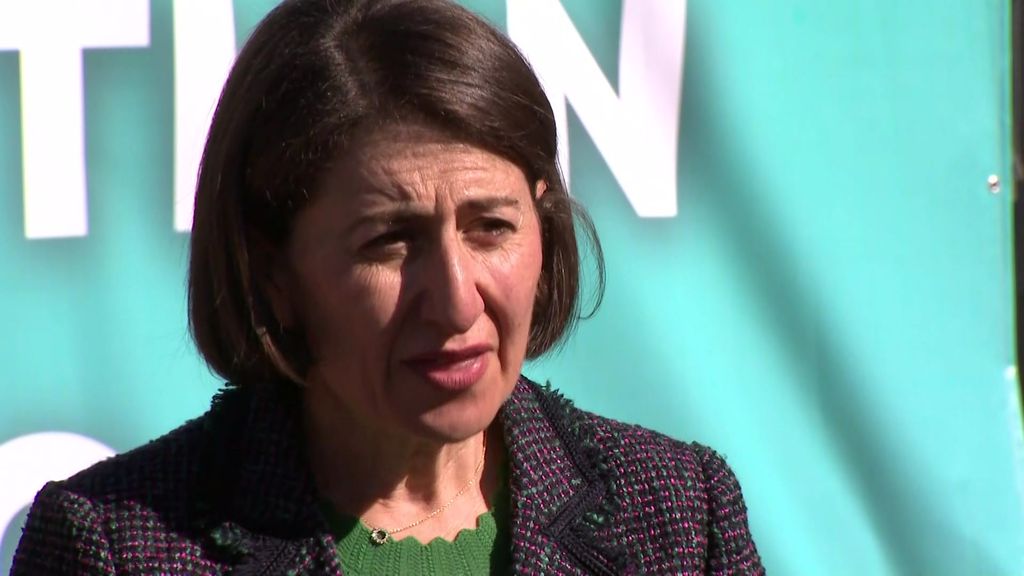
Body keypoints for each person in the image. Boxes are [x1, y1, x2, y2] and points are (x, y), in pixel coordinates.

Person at [11, 0, 764, 574]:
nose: (457, 301)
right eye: (389, 241)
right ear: (273, 272)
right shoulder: (113, 545)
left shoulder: (678, 514)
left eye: (491, 227)